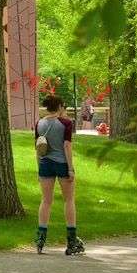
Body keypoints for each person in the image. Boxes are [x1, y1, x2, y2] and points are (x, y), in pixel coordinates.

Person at [34, 94, 84, 256]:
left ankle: (41, 238)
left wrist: (39, 168)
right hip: (62, 163)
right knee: (68, 200)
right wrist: (70, 168)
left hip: (45, 164)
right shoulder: (65, 123)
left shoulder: (39, 124)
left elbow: (38, 147)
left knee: (46, 200)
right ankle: (71, 239)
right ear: (60, 106)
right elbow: (67, 145)